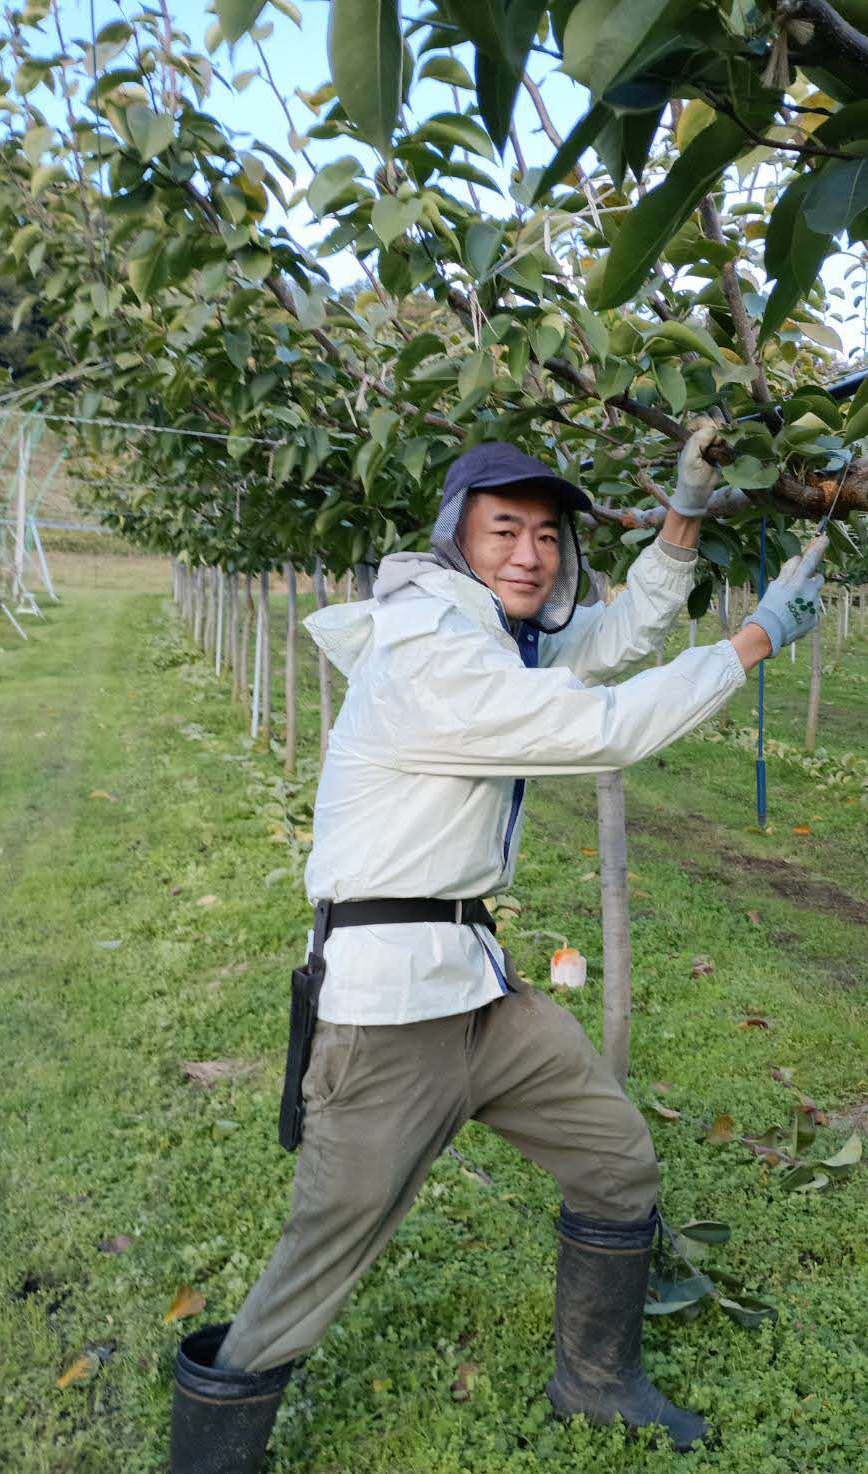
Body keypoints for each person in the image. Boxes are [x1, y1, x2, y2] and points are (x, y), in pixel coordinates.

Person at [168, 422, 826, 1472]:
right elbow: (600, 724)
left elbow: (608, 643)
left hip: (479, 991)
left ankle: (596, 1380)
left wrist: (684, 515)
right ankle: (208, 1454)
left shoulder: (492, 638)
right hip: (385, 1015)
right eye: (503, 531)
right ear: (455, 544)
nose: (532, 554)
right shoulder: (432, 655)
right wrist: (752, 643)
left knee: (617, 1163)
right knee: (320, 1259)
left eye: (548, 536)